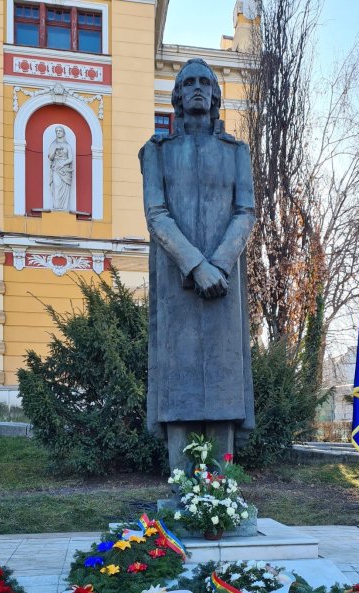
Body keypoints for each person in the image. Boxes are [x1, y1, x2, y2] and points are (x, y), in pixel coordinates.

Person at [140, 58, 256, 470]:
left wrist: (220, 265)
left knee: (222, 391)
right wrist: (196, 266)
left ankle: (222, 492)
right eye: (187, 82)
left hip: (224, 286)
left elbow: (246, 212)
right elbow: (156, 216)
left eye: (204, 82)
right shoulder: (156, 153)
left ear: (214, 94)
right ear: (176, 96)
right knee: (180, 389)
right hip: (177, 285)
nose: (196, 88)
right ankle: (181, 490)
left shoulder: (236, 152)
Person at [48, 126, 73, 210]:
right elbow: (50, 158)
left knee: (65, 187)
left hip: (65, 169)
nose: (58, 132)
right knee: (57, 186)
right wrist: (54, 149)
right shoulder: (53, 145)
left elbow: (70, 158)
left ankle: (64, 207)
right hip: (56, 167)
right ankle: (56, 206)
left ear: (63, 133)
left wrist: (63, 164)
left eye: (60, 131)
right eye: (57, 131)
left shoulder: (67, 145)